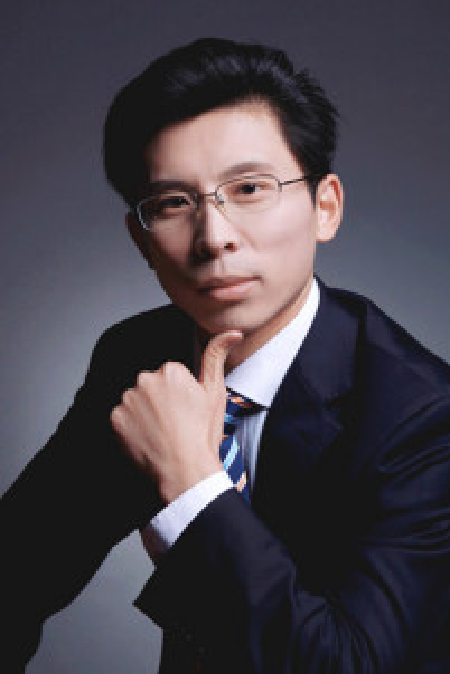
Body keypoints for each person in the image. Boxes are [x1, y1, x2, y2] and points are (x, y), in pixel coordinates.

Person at [2, 37, 450, 674]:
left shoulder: (423, 416)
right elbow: (16, 574)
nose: (214, 238)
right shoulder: (141, 358)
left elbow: (348, 664)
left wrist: (193, 484)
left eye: (249, 188)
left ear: (325, 207)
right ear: (141, 240)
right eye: (173, 203)